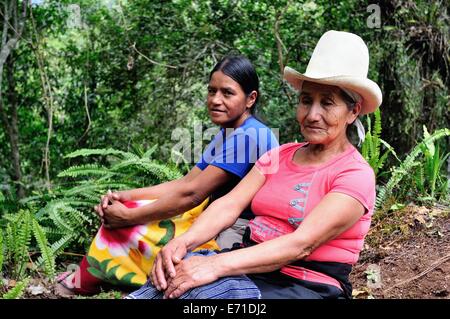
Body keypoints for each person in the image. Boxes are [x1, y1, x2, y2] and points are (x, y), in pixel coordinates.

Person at [129, 30, 382, 299]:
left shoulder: (355, 174)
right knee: (172, 277)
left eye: (327, 103)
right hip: (248, 268)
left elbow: (302, 244)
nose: (312, 115)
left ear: (353, 112)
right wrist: (182, 243)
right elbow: (229, 205)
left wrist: (213, 264)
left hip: (305, 285)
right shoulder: (279, 156)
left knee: (201, 296)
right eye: (306, 101)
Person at [55, 55, 279, 295]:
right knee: (132, 211)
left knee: (138, 227)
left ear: (250, 99)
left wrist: (129, 217)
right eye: (211, 91)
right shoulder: (230, 133)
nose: (215, 100)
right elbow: (186, 182)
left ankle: (94, 279)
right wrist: (123, 197)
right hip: (214, 219)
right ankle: (100, 275)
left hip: (236, 231)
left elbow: (192, 194)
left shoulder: (250, 136)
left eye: (227, 93)